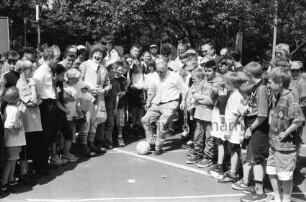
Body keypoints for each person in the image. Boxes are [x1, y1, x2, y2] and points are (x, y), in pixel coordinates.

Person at [265, 67, 304, 202]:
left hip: (286, 146)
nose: (268, 85)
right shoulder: (277, 96)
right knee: (271, 171)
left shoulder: (290, 97)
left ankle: (285, 200)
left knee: (285, 175)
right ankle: (277, 197)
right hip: (274, 144)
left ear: (280, 82)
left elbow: (299, 119)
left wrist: (286, 132)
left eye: (270, 82)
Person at [238, 62, 270, 201]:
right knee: (258, 159)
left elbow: (262, 114)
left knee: (256, 160)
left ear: (249, 75)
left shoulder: (261, 89)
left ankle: (259, 192)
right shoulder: (258, 87)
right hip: (255, 126)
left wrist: (251, 129)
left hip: (258, 128)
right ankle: (257, 187)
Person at [141, 60, 188, 155]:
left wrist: (183, 101)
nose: (159, 73)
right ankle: (151, 142)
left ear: (167, 69)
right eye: (157, 71)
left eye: (161, 71)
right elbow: (152, 89)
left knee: (162, 124)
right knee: (145, 120)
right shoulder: (155, 76)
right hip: (157, 103)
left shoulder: (175, 76)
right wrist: (149, 101)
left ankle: (159, 146)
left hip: (170, 104)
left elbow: (185, 89)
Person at [79, 44, 111, 156]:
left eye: (100, 54)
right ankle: (83, 145)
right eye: (96, 53)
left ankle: (91, 143)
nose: (98, 55)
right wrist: (89, 87)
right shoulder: (84, 65)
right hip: (86, 97)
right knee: (86, 120)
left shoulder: (104, 68)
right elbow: (78, 80)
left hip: (100, 98)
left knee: (95, 121)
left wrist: (104, 90)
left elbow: (108, 84)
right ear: (92, 53)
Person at [33, 46, 60, 174]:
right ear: (49, 58)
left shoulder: (48, 70)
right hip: (45, 104)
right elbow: (37, 90)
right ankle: (39, 166)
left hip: (51, 103)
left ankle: (44, 163)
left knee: (49, 135)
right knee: (44, 136)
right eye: (56, 58)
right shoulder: (40, 72)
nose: (57, 61)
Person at [16, 59, 43, 183]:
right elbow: (31, 102)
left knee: (33, 147)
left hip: (35, 121)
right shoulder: (21, 84)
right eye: (30, 69)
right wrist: (32, 87)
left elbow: (39, 99)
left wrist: (36, 100)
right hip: (28, 122)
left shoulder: (28, 82)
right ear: (22, 70)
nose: (32, 71)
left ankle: (29, 171)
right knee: (26, 150)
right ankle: (24, 173)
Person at [186, 61, 218, 166]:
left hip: (209, 115)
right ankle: (198, 152)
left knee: (209, 137)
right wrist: (204, 97)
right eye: (206, 71)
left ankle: (208, 156)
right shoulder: (203, 81)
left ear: (214, 71)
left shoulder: (217, 83)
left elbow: (212, 101)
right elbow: (194, 93)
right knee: (198, 135)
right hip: (199, 113)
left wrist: (200, 98)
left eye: (210, 71)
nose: (207, 73)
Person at [218, 72, 244, 184]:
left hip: (234, 128)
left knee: (234, 149)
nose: (225, 86)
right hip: (231, 126)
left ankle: (233, 172)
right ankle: (234, 170)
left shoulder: (236, 96)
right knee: (232, 149)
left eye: (227, 84)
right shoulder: (233, 95)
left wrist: (228, 130)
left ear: (231, 84)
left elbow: (235, 115)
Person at [1, 87, 26, 191]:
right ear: (17, 98)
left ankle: (10, 179)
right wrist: (16, 132)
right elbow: (8, 126)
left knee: (13, 160)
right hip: (12, 141)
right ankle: (4, 182)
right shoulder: (14, 110)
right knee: (10, 161)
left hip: (13, 141)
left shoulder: (8, 107)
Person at [54, 65, 79, 163]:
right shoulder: (60, 84)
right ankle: (61, 153)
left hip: (66, 112)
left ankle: (65, 152)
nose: (64, 76)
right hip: (61, 112)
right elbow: (58, 100)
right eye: (62, 74)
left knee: (68, 133)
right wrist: (65, 109)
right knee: (62, 134)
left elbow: (69, 98)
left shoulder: (59, 83)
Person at [208, 76, 229, 179]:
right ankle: (220, 164)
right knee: (219, 146)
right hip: (217, 126)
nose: (212, 88)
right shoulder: (219, 97)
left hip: (220, 127)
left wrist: (223, 130)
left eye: (213, 86)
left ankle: (220, 167)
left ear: (217, 86)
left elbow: (223, 117)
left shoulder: (222, 99)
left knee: (221, 146)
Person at [100, 64, 121, 148]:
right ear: (107, 72)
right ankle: (100, 142)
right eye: (111, 72)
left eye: (114, 72)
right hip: (102, 105)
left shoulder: (116, 83)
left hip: (111, 107)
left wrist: (116, 108)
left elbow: (117, 96)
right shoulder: (103, 81)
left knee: (110, 124)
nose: (113, 74)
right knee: (101, 124)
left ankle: (108, 141)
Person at [114, 61, 129, 147]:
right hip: (112, 104)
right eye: (119, 70)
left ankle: (120, 138)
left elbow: (125, 90)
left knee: (120, 123)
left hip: (121, 104)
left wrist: (123, 92)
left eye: (122, 70)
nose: (121, 72)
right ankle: (108, 138)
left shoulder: (124, 79)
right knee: (110, 123)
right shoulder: (111, 79)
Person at [128, 60, 146, 131]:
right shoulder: (131, 74)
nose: (137, 68)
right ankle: (134, 125)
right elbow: (130, 83)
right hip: (134, 93)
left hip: (141, 93)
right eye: (135, 66)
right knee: (134, 111)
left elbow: (144, 85)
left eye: (138, 66)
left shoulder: (143, 75)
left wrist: (138, 87)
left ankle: (140, 125)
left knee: (141, 110)